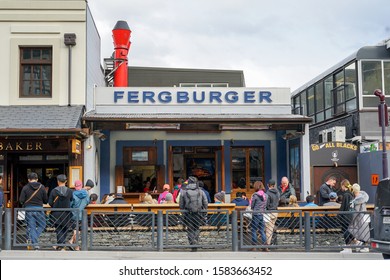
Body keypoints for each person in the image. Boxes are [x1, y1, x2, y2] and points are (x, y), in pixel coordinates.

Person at [19, 172, 48, 250]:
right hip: (39, 209)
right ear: (37, 179)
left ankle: (33, 241)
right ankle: (35, 243)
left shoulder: (25, 187)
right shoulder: (42, 187)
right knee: (43, 225)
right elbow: (45, 200)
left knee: (31, 227)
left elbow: (21, 200)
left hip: (29, 209)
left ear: (28, 180)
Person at [179, 176, 208, 251]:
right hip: (198, 213)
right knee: (196, 227)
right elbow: (205, 202)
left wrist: (183, 210)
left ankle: (192, 243)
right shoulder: (200, 191)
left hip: (188, 213)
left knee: (190, 228)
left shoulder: (184, 191)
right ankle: (196, 241)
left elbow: (181, 204)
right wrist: (204, 210)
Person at [48, 174, 73, 251]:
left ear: (58, 181)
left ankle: (60, 245)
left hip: (56, 212)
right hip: (66, 212)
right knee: (65, 228)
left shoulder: (54, 191)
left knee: (58, 229)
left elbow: (50, 203)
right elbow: (71, 200)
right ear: (66, 181)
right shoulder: (69, 191)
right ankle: (61, 245)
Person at [69, 180, 89, 251]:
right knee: (78, 230)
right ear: (82, 185)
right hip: (82, 215)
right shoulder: (86, 193)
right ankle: (74, 245)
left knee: (76, 230)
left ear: (75, 186)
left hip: (74, 214)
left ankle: (73, 243)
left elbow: (71, 204)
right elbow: (87, 202)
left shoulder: (73, 194)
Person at [349, 183, 370, 252]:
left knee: (356, 230)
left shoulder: (357, 200)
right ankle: (363, 246)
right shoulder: (363, 197)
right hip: (365, 216)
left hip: (359, 217)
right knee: (365, 231)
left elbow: (356, 211)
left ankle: (363, 246)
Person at [250, 181, 268, 251]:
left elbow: (252, 205)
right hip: (262, 214)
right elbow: (265, 205)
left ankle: (254, 246)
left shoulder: (255, 195)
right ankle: (265, 246)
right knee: (262, 231)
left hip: (256, 214)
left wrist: (253, 207)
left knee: (254, 230)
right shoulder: (266, 195)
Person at [339, 179, 355, 253]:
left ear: (343, 185)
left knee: (345, 230)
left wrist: (339, 214)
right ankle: (355, 242)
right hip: (351, 215)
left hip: (345, 216)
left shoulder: (345, 195)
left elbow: (344, 206)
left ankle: (348, 247)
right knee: (348, 230)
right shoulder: (351, 194)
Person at [265, 179, 280, 247]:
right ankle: (270, 242)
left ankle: (267, 244)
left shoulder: (268, 193)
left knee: (268, 229)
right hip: (275, 212)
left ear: (268, 185)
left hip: (269, 212)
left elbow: (267, 204)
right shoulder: (277, 192)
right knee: (271, 228)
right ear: (274, 185)